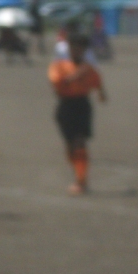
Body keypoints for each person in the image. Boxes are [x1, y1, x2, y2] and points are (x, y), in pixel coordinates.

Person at [48, 33, 107, 195]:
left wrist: (101, 93)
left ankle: (81, 180)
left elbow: (97, 82)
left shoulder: (88, 68)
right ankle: (77, 173)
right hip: (65, 106)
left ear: (84, 50)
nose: (76, 51)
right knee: (70, 145)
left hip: (82, 105)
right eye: (73, 47)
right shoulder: (59, 66)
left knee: (80, 142)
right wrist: (75, 75)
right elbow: (57, 84)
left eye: (80, 48)